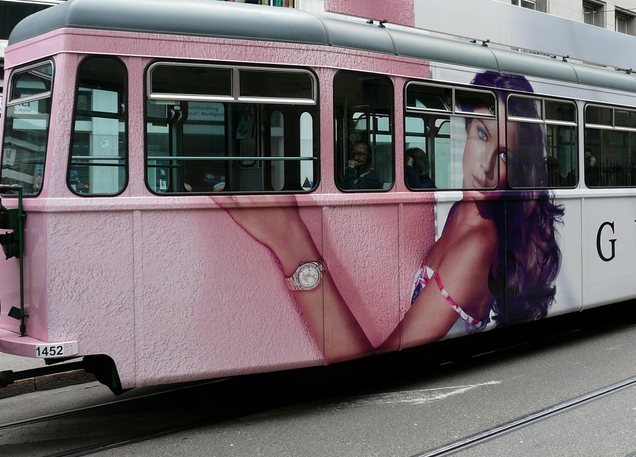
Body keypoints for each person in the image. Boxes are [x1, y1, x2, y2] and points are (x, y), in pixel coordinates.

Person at [223, 71, 564, 362]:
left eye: (504, 156)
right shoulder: (464, 211)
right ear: (465, 129)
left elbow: (374, 370)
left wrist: (292, 243)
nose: (485, 166)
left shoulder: (478, 244)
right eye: (482, 134)